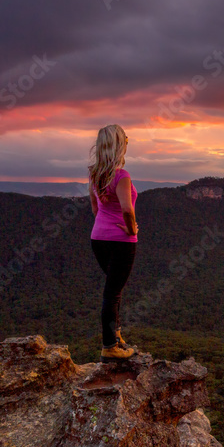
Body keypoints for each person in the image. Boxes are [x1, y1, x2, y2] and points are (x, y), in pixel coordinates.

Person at [87, 124, 138, 361]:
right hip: (121, 240)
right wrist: (131, 228)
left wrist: (104, 224)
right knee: (112, 293)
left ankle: (115, 336)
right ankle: (109, 346)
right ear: (119, 144)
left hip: (98, 238)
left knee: (114, 290)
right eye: (125, 139)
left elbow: (95, 206)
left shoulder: (95, 172)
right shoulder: (121, 176)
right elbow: (127, 209)